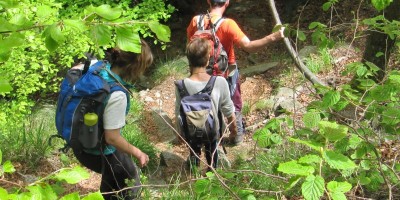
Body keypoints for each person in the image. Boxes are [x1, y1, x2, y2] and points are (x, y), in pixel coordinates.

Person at [186, 0, 285, 145]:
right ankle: (236, 135)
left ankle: (209, 136)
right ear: (227, 2)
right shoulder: (228, 24)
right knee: (234, 103)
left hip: (201, 71)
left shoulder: (196, 21)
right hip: (226, 71)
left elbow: (190, 46)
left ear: (208, 1)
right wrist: (273, 37)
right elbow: (249, 46)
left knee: (207, 103)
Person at [72, 40, 153, 200]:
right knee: (131, 180)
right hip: (97, 151)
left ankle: (108, 194)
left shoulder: (98, 67)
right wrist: (139, 153)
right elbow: (112, 138)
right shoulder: (117, 95)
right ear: (135, 67)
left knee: (113, 178)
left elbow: (75, 69)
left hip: (78, 141)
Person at [175, 37, 237, 170]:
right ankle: (211, 170)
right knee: (212, 152)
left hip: (190, 131)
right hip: (212, 131)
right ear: (208, 59)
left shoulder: (181, 85)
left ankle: (194, 168)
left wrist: (179, 133)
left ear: (188, 59)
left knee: (193, 149)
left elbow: (178, 112)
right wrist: (234, 131)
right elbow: (228, 110)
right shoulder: (219, 82)